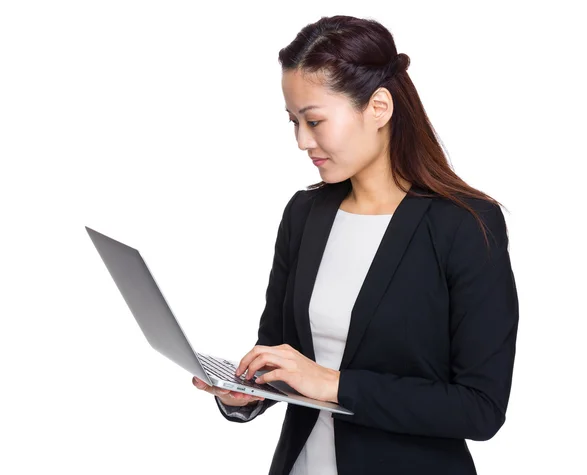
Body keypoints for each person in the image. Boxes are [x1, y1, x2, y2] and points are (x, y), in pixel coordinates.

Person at [193, 14, 519, 475]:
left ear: (379, 108)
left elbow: (480, 408)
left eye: (315, 120)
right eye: (294, 122)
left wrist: (335, 384)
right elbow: (278, 350)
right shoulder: (304, 215)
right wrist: (246, 394)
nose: (303, 141)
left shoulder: (464, 225)